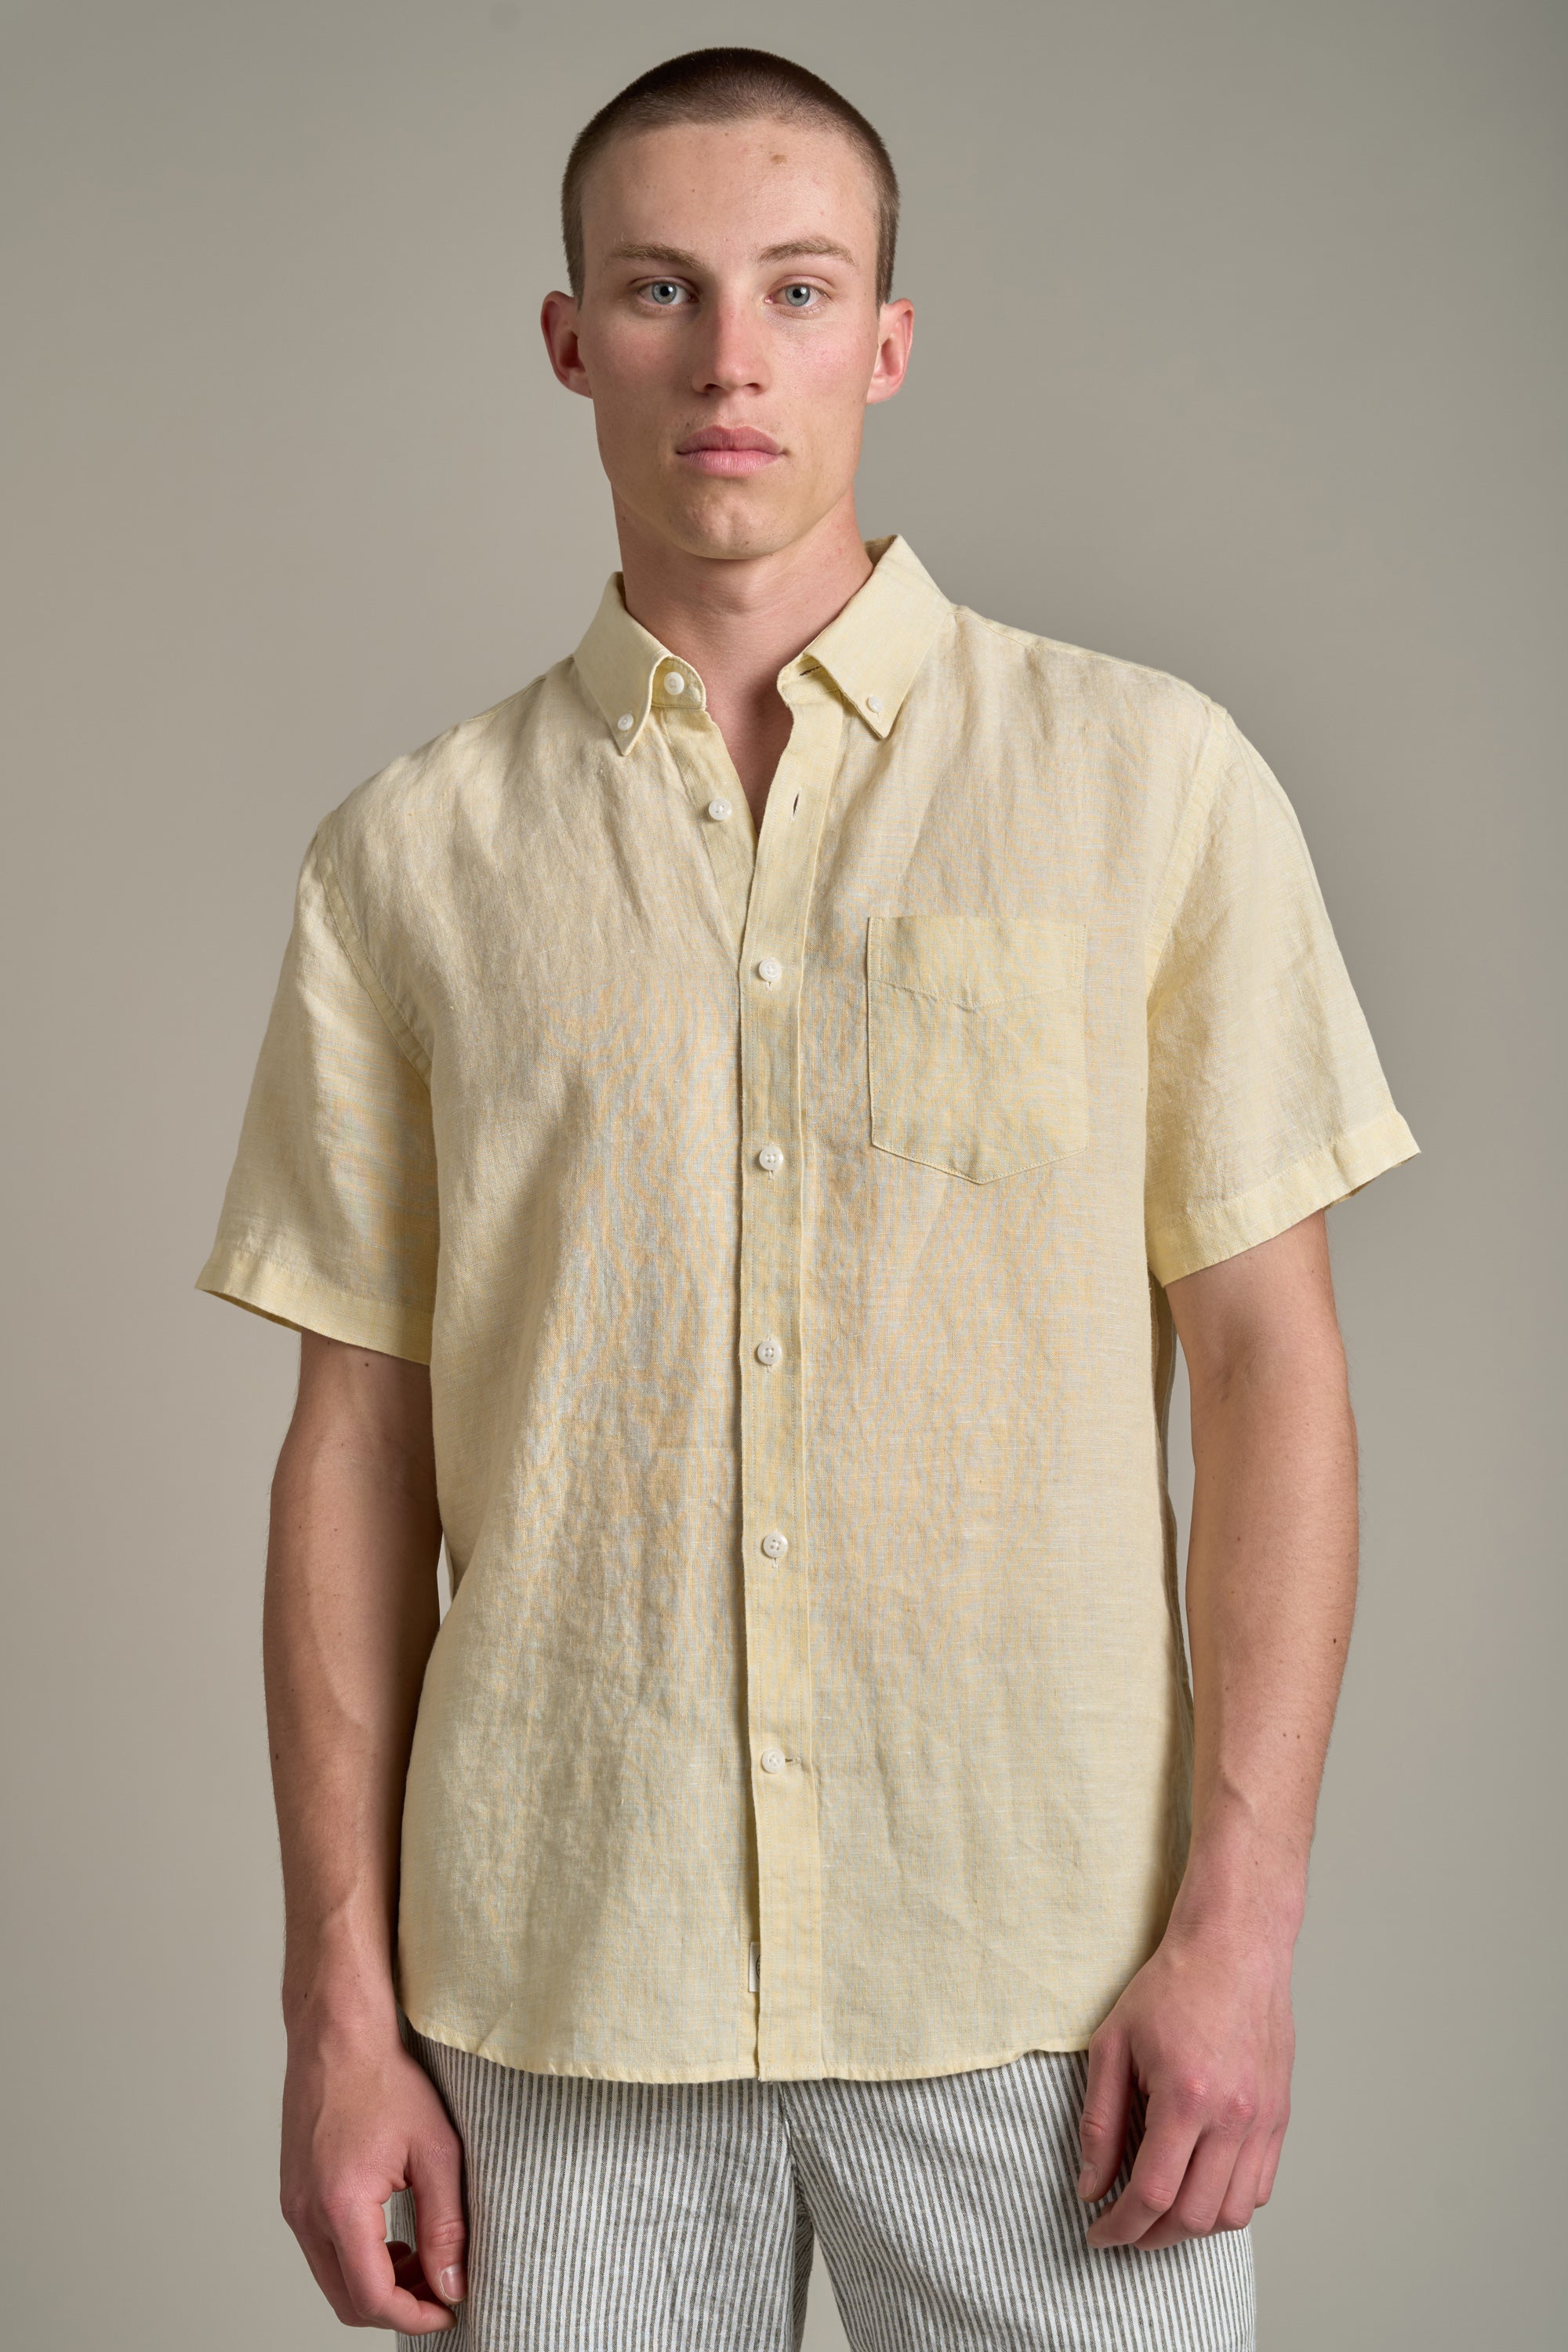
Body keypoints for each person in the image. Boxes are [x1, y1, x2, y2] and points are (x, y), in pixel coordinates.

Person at [196, 45, 1418, 2352]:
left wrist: (1240, 1935)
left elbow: (1275, 1371)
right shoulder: (409, 861)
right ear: (571, 338)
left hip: (1052, 1995)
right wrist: (339, 2020)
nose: (728, 355)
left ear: (889, 339)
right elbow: (350, 1454)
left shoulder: (1149, 787)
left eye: (795, 286)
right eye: (660, 290)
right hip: (560, 2008)